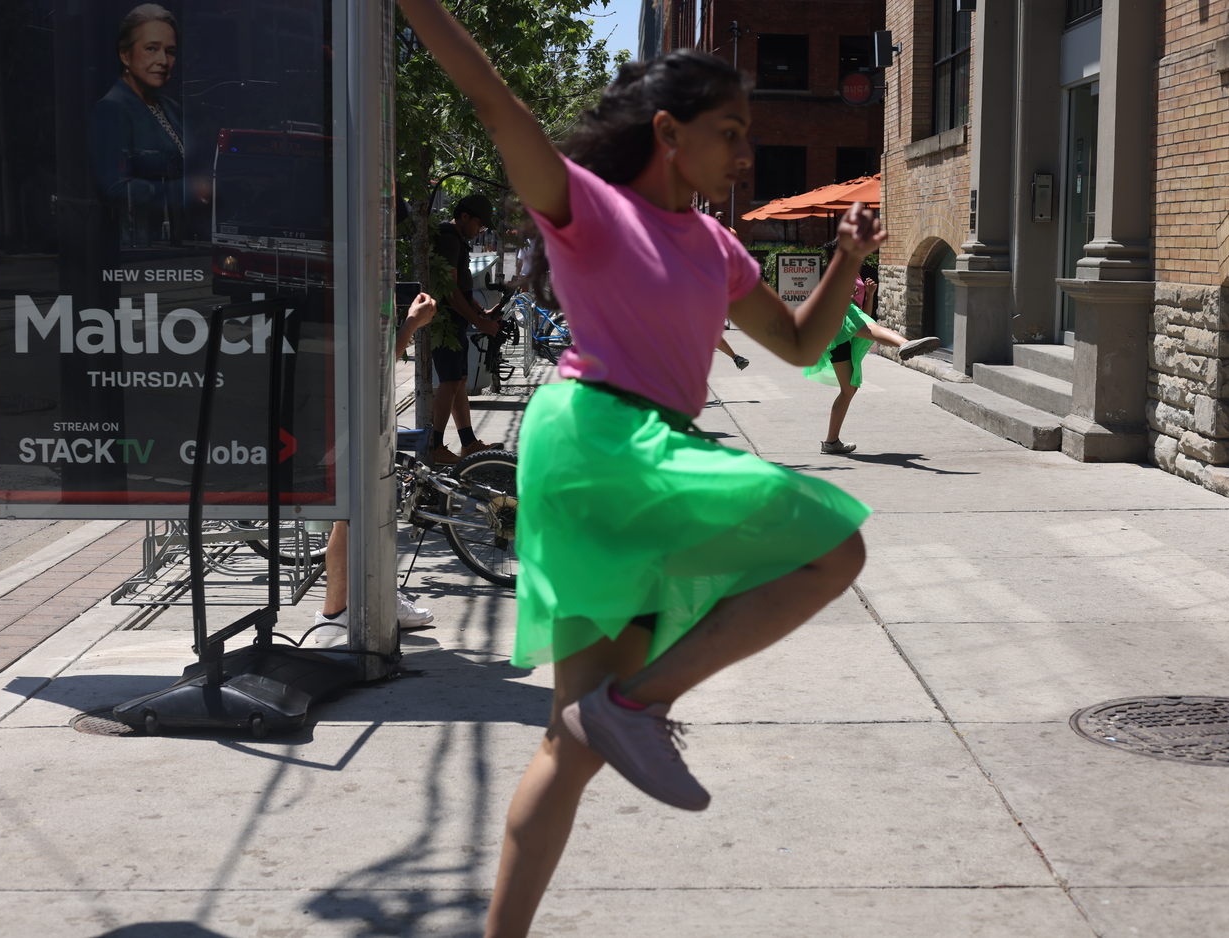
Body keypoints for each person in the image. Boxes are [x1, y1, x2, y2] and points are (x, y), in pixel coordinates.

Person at [396, 4, 884, 936]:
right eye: (730, 133)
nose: (745, 154)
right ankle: (638, 703)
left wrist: (847, 260)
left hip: (631, 458)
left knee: (568, 741)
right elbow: (494, 102)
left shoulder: (717, 246)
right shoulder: (590, 208)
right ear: (669, 133)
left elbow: (800, 343)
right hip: (602, 440)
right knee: (833, 547)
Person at [310, 292, 440, 646]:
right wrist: (411, 323)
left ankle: (374, 597)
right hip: (347, 409)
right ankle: (334, 613)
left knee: (371, 508)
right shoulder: (355, 281)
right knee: (352, 512)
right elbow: (377, 367)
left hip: (352, 408)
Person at [805, 275, 940, 455]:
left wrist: (869, 295)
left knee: (849, 389)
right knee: (873, 329)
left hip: (840, 326)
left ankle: (831, 442)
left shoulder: (854, 272)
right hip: (840, 316)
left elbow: (866, 316)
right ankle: (904, 344)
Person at [89, 4, 187, 246]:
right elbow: (113, 189)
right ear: (125, 55)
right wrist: (190, 191)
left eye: (170, 51)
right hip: (138, 244)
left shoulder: (172, 108)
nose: (163, 60)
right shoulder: (112, 108)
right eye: (151, 49)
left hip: (178, 244)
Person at [431, 194, 504, 465]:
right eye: (480, 225)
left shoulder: (457, 239)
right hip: (446, 323)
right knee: (450, 381)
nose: (480, 231)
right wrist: (479, 321)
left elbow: (461, 287)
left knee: (459, 380)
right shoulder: (448, 237)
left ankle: (468, 443)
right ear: (464, 216)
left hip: (455, 321)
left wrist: (480, 311)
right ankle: (435, 446)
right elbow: (450, 290)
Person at [711, 212, 747, 368]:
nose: (719, 219)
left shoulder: (731, 232)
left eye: (721, 217)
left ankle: (736, 357)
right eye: (717, 217)